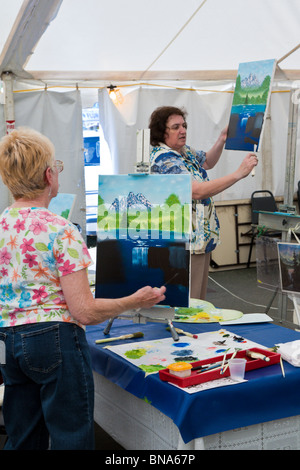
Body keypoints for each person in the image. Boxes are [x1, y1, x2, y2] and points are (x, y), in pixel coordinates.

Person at [0, 127, 166, 450]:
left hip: (7, 342)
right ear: (50, 175)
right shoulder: (62, 230)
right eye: (57, 167)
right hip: (53, 340)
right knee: (71, 440)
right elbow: (84, 311)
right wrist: (134, 300)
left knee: (22, 439)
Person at [149, 106, 258, 300]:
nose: (183, 130)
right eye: (176, 127)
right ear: (161, 132)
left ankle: (193, 328)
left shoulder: (183, 152)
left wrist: (222, 139)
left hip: (199, 235)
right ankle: (185, 329)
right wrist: (238, 174)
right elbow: (196, 191)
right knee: (189, 299)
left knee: (198, 296)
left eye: (184, 125)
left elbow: (207, 161)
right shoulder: (164, 159)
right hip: (184, 241)